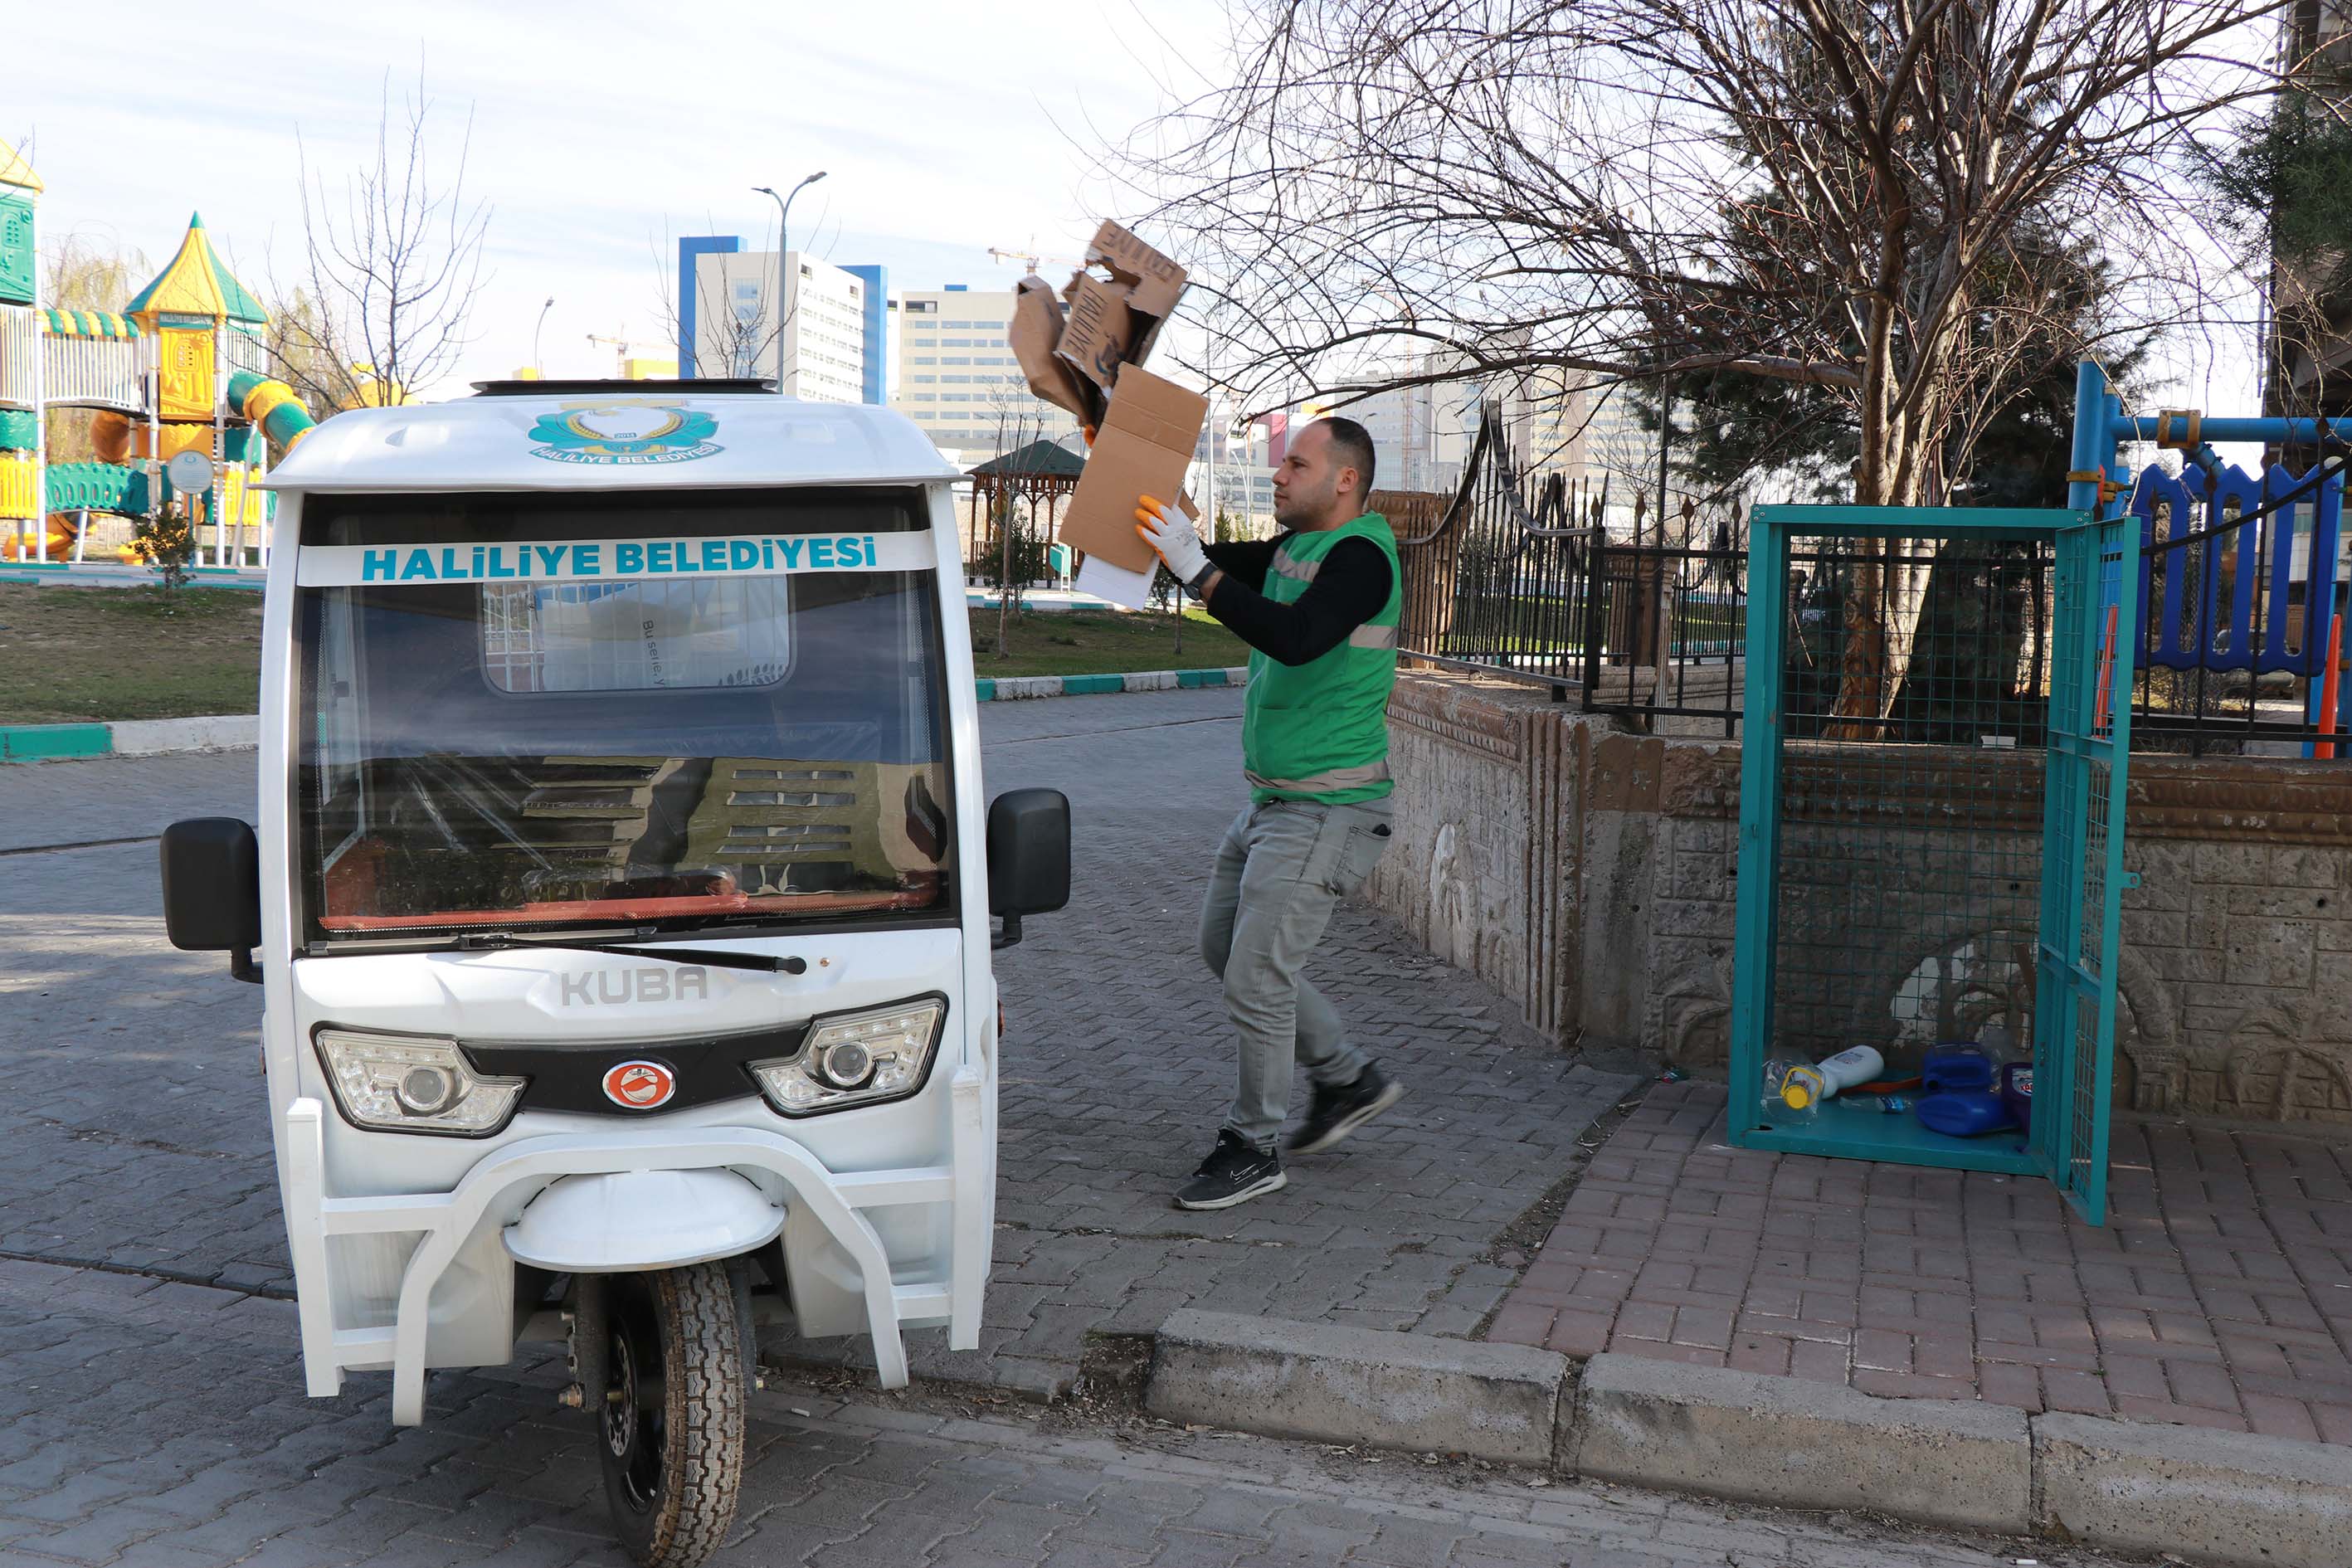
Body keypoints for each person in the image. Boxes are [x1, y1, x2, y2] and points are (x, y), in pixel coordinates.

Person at [1132, 416, 1407, 1210]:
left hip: (1329, 811)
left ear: (1344, 479)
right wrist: (1172, 530)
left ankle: (1252, 1145)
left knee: (1257, 974)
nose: (1277, 476)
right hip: (1274, 803)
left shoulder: (1361, 559)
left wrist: (1198, 572)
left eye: (1295, 463)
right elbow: (1215, 566)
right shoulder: (1295, 550)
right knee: (1226, 949)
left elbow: (1293, 637)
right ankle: (1348, 1078)